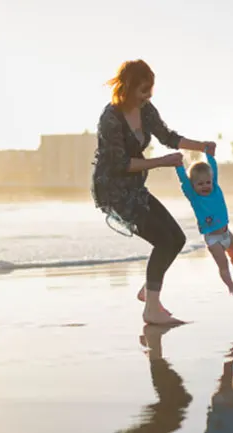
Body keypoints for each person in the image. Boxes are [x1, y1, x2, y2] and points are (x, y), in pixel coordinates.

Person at [91, 59, 216, 325]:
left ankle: (149, 291)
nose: (148, 95)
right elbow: (121, 163)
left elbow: (168, 136)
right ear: (127, 87)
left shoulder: (145, 109)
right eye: (143, 90)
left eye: (151, 90)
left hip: (135, 187)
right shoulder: (110, 118)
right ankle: (152, 309)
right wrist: (161, 162)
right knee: (163, 240)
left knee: (177, 238)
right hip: (113, 190)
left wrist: (201, 145)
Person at [175, 151, 233, 296]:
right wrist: (179, 165)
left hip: (226, 233)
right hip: (212, 238)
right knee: (223, 264)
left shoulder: (215, 189)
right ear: (193, 186)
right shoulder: (194, 196)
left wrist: (209, 154)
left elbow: (213, 169)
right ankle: (231, 287)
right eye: (200, 184)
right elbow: (184, 180)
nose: (205, 186)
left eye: (208, 182)